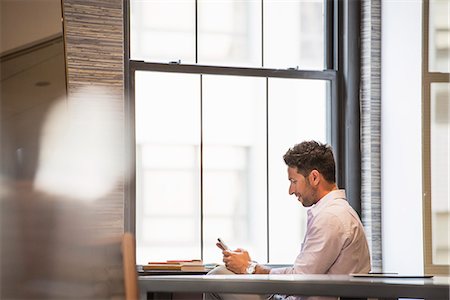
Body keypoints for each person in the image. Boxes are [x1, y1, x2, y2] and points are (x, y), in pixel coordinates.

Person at [204, 140, 371, 300]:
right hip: (291, 296)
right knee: (220, 276)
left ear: (314, 178)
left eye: (294, 181)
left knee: (216, 279)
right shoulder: (335, 213)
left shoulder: (331, 218)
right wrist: (249, 265)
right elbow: (303, 274)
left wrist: (249, 268)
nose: (291, 190)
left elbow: (299, 280)